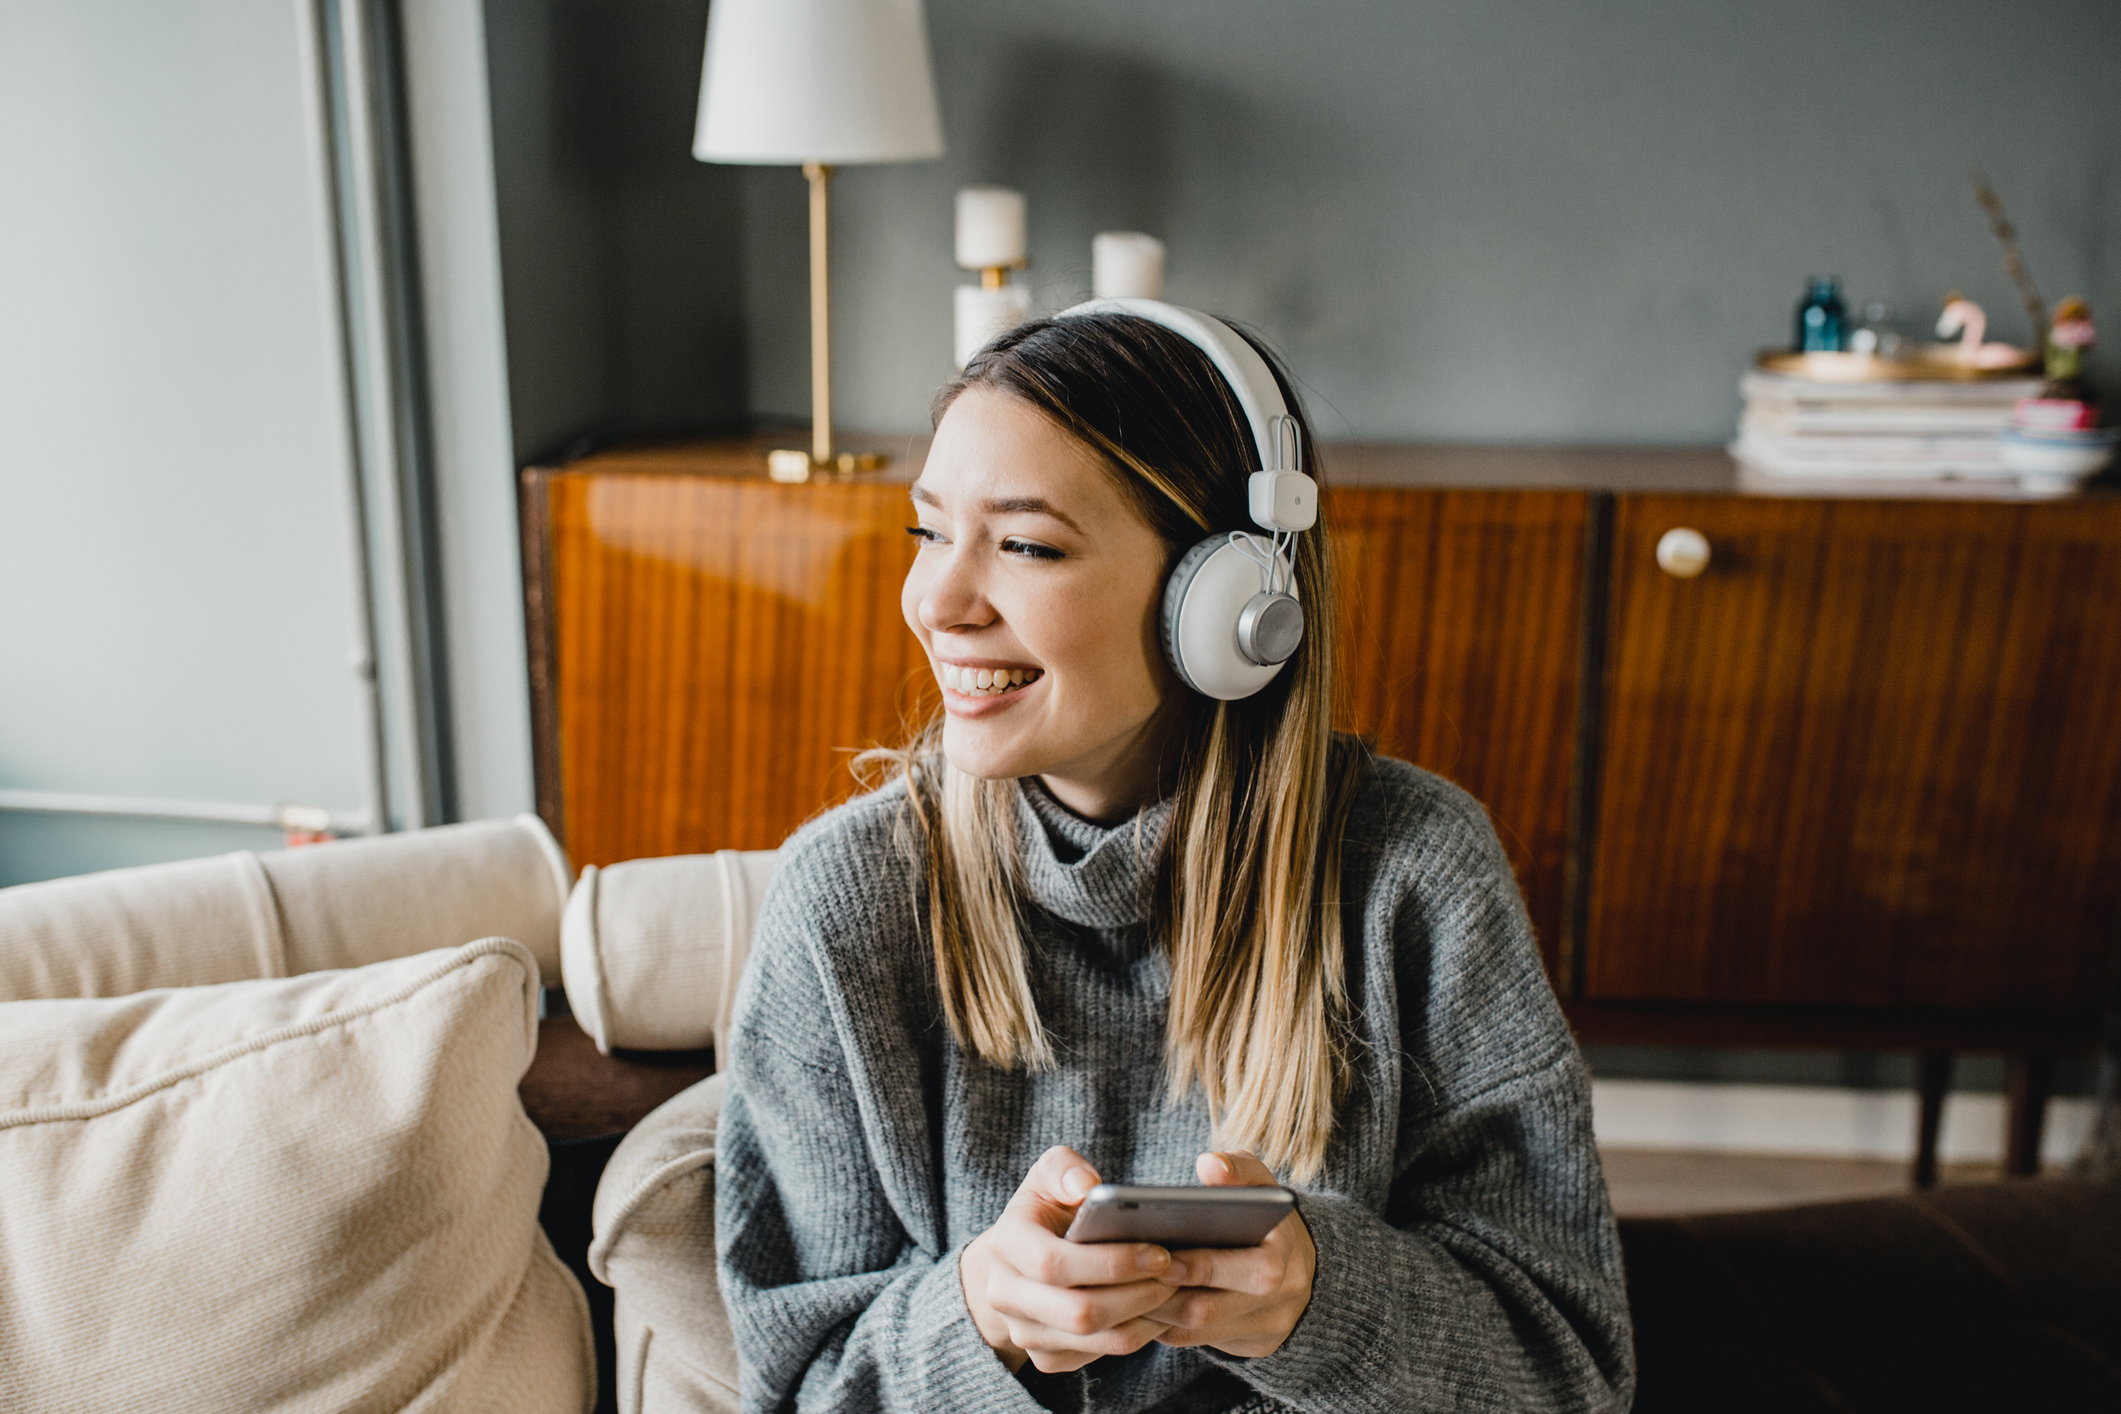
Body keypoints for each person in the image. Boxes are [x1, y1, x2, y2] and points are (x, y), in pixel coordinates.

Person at [716, 304, 1635, 1413]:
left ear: (1231, 601)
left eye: (1024, 545)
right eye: (928, 532)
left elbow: (1568, 1374)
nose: (938, 602)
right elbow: (797, 1386)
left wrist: (1321, 1302)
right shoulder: (845, 904)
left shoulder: (1416, 876)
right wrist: (982, 1317)